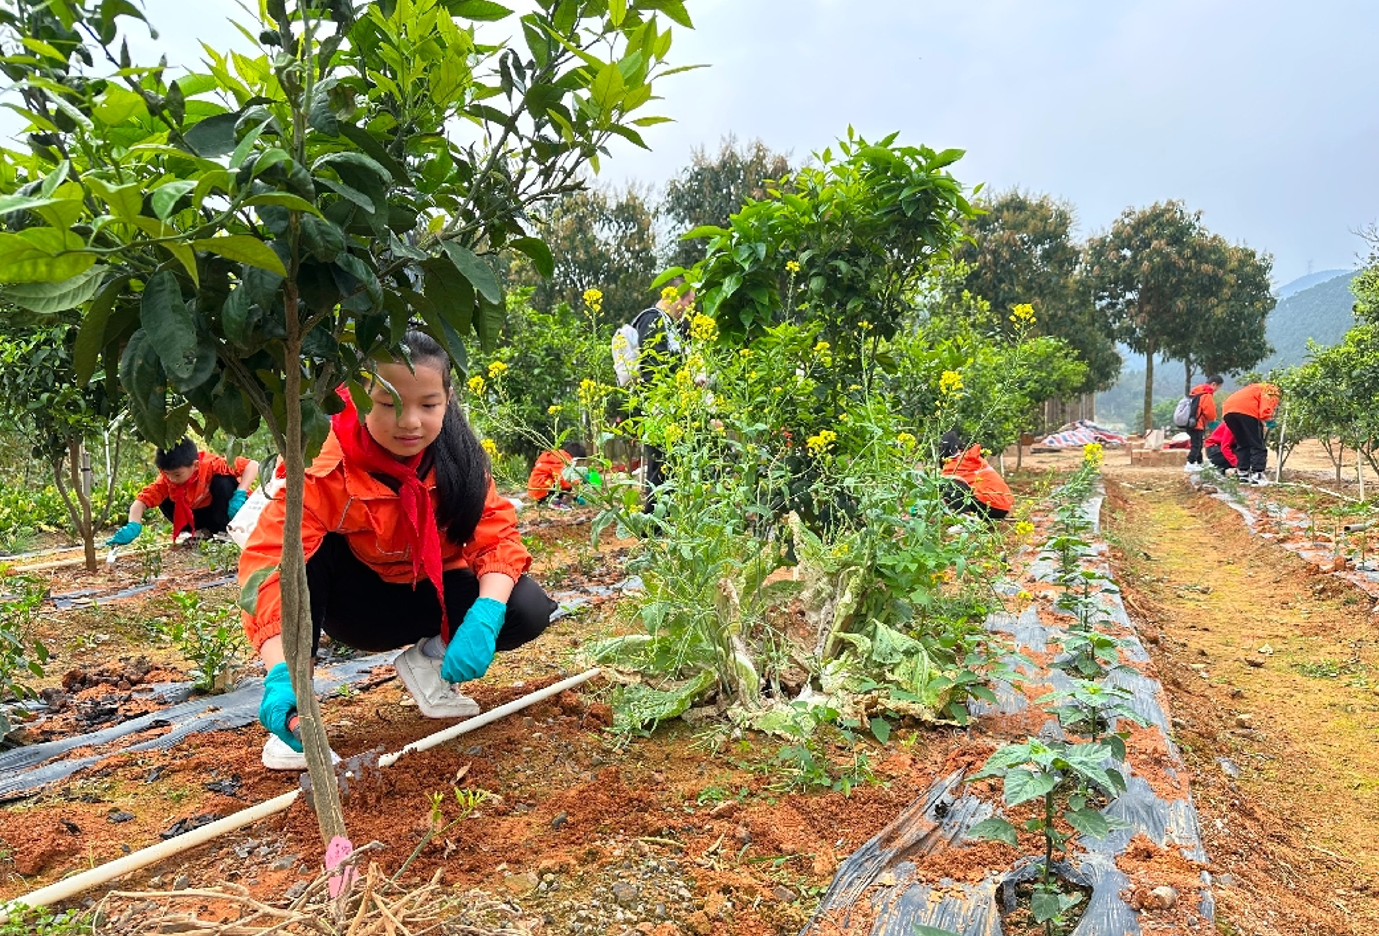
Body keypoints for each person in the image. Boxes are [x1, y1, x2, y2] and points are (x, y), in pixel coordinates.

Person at [238, 331, 556, 770]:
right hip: (360, 609)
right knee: (305, 555)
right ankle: (297, 712)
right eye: (389, 404)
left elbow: (496, 536)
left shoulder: (459, 458)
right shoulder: (322, 460)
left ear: (447, 399)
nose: (410, 422)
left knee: (524, 606)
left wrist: (484, 616)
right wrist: (280, 671)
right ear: (361, 396)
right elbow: (270, 564)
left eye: (428, 405)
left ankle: (430, 664)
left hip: (430, 593)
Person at [107, 440, 259, 546]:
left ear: (195, 465)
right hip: (199, 517)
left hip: (226, 512)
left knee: (223, 482)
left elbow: (252, 465)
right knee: (163, 498)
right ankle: (200, 532)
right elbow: (140, 503)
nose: (172, 479)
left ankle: (226, 531)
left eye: (177, 474)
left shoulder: (211, 464)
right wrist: (133, 524)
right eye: (167, 474)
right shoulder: (166, 481)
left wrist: (240, 492)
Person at [630, 278, 695, 514]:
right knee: (660, 465)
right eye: (689, 300)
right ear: (675, 297)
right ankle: (654, 525)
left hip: (668, 406)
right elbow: (652, 368)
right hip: (660, 406)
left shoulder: (670, 325)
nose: (689, 307)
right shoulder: (653, 319)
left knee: (667, 464)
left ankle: (662, 520)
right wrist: (663, 404)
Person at [938, 431, 1014, 520]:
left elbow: (941, 488)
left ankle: (968, 519)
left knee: (945, 484)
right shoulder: (972, 457)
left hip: (990, 506)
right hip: (1002, 508)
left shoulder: (955, 462)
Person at [1220, 382, 1281, 486]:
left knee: (1243, 443)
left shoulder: (1253, 388)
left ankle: (1243, 474)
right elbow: (1266, 405)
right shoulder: (1271, 389)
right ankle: (1258, 475)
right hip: (1247, 410)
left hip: (1228, 411)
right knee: (1257, 443)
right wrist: (1268, 418)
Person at [526, 441, 588, 506]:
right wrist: (576, 495)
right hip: (542, 492)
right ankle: (554, 502)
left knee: (563, 485)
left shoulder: (555, 456)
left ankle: (552, 500)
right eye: (579, 463)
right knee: (567, 485)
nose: (578, 466)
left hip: (535, 492)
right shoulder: (563, 460)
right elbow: (564, 480)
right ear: (576, 459)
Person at [1184, 375, 1224, 471]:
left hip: (1190, 422)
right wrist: (1213, 420)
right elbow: (1210, 413)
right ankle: (1190, 463)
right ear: (1214, 384)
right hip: (1197, 423)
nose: (1216, 390)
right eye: (1218, 388)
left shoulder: (1196, 392)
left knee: (1198, 443)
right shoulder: (1207, 395)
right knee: (1196, 444)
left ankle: (1200, 462)